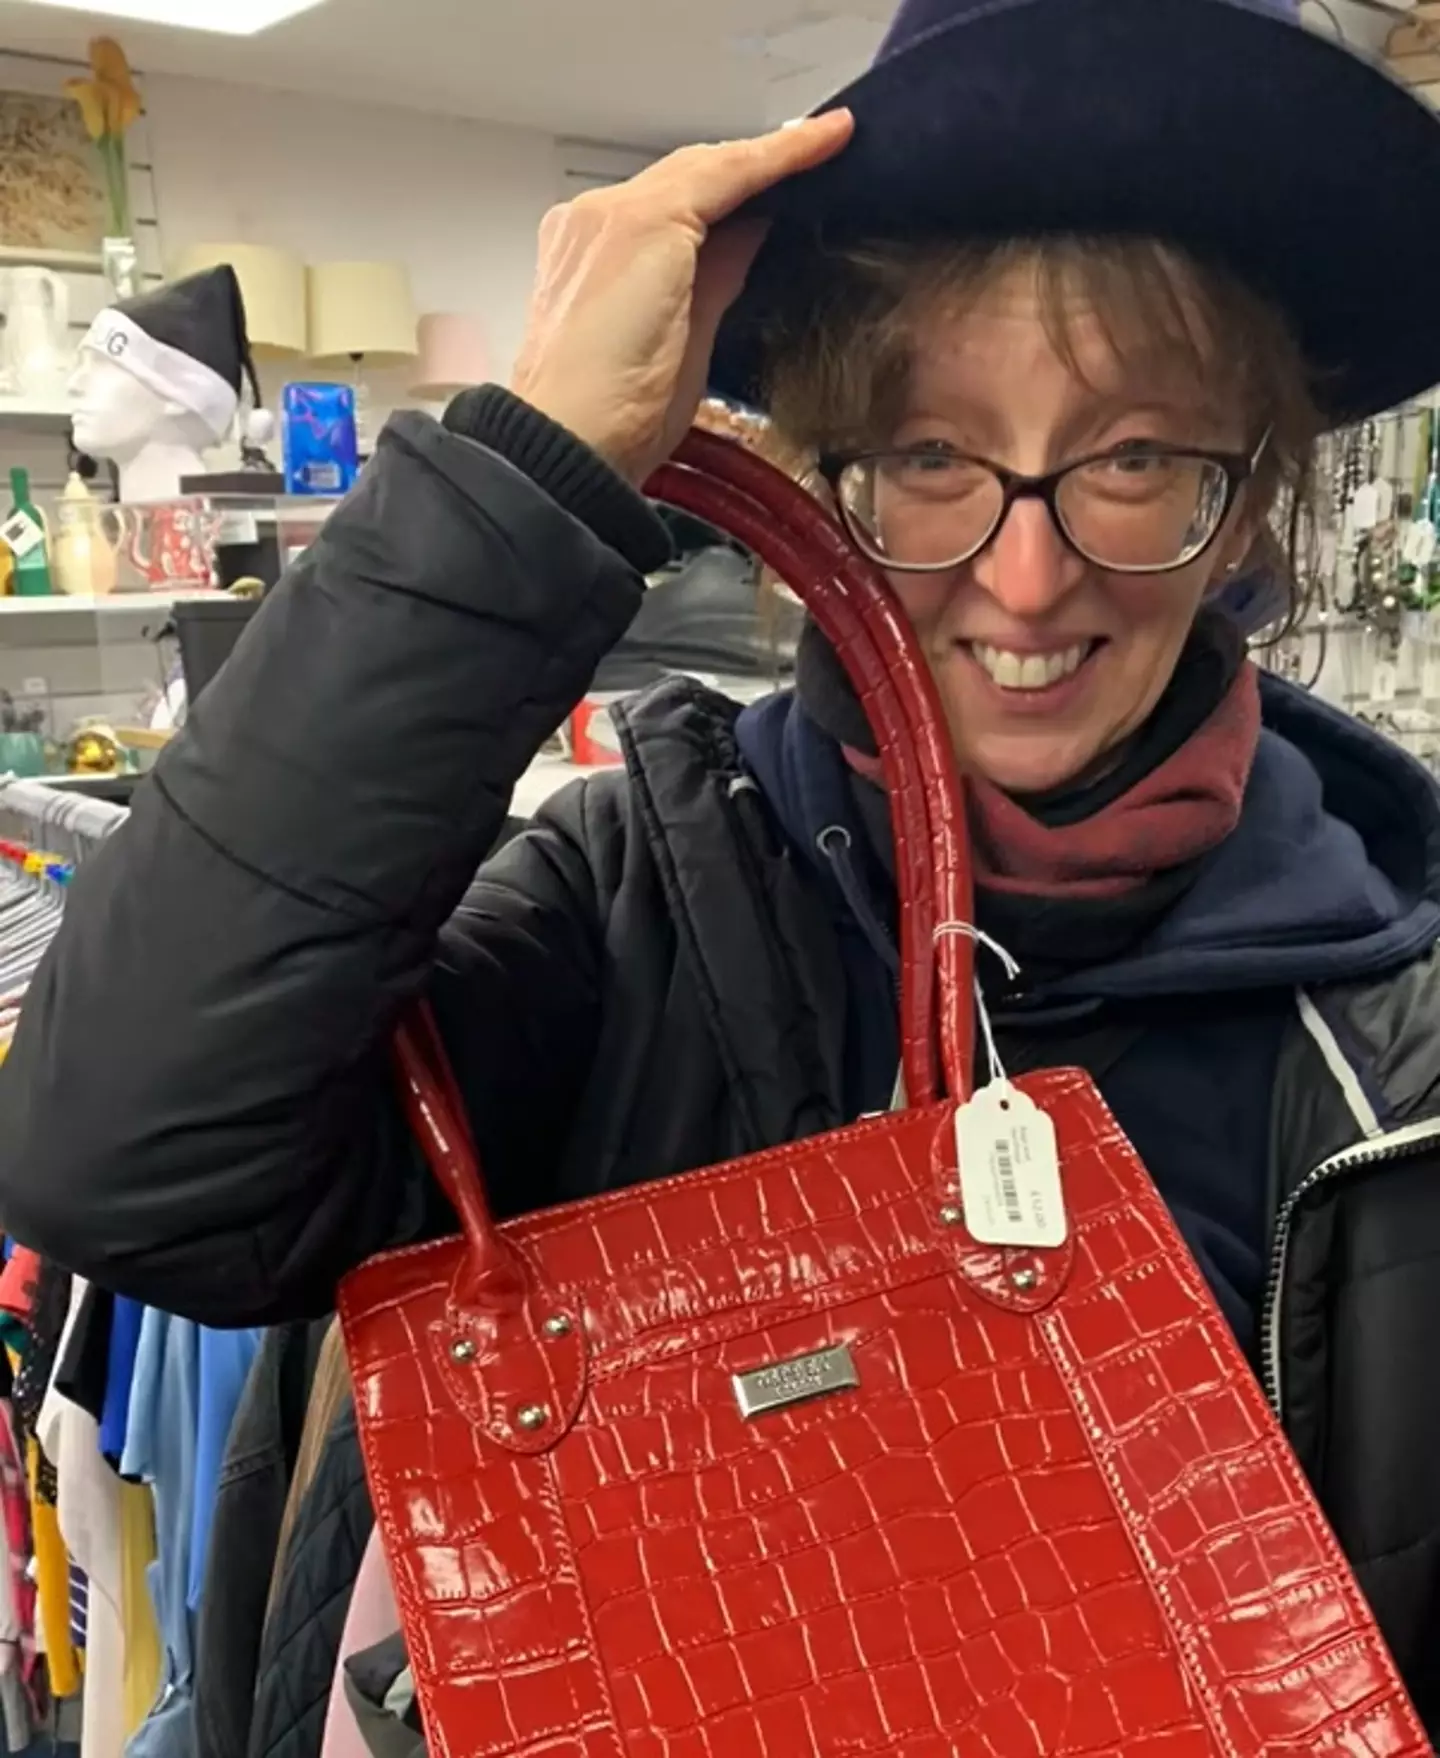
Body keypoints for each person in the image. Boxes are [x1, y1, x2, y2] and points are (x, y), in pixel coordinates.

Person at [5, 0, 1440, 1736]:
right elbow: (129, 1155)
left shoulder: (1390, 1042)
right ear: (826, 480)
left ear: (1255, 491)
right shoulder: (629, 911)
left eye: (1135, 458)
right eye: (928, 456)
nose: (1032, 572)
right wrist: (519, 477)